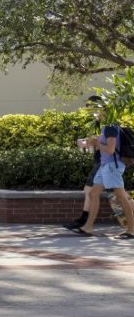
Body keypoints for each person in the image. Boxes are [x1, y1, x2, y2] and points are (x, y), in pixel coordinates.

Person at [64, 95, 130, 236]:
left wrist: (97, 143)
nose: (92, 114)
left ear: (100, 107)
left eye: (93, 110)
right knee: (94, 194)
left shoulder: (110, 126)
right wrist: (93, 143)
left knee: (121, 196)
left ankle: (132, 230)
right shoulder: (105, 126)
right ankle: (88, 227)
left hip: (112, 166)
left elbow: (111, 150)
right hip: (105, 166)